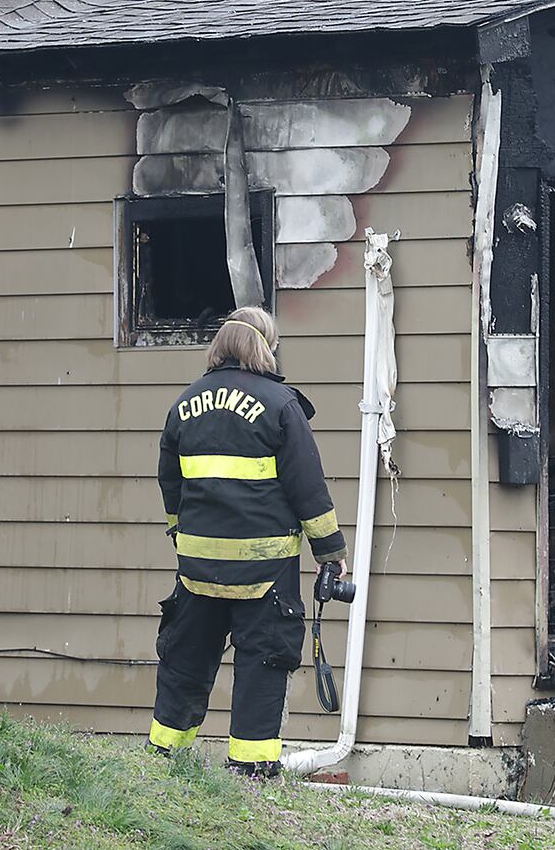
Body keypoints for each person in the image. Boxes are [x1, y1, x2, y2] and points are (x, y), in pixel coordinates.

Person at [149, 305, 347, 777]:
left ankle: (165, 756)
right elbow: (308, 489)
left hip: (197, 567)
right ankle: (252, 767)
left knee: (187, 657)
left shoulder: (185, 404)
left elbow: (170, 483)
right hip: (265, 570)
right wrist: (331, 553)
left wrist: (183, 533)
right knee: (264, 658)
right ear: (267, 346)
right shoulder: (281, 405)